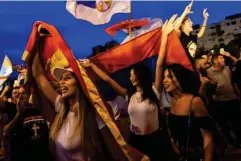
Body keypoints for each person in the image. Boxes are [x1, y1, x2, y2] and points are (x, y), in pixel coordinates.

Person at [80, 15, 179, 161]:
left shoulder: (154, 91)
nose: (131, 77)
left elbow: (159, 64)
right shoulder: (129, 94)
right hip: (136, 142)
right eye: (131, 75)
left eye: (134, 75)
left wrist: (164, 35)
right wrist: (91, 66)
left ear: (142, 76)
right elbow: (107, 79)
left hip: (156, 140)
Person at [31, 54, 126, 161]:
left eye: (67, 78)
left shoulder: (95, 113)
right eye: (61, 79)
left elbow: (115, 151)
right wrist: (37, 40)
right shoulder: (61, 107)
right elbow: (39, 76)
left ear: (80, 83)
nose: (61, 82)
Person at [164, 64, 213, 161]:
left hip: (197, 155)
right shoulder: (173, 100)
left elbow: (207, 137)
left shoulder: (194, 101)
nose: (164, 80)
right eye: (164, 77)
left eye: (170, 77)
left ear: (180, 78)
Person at [2, 86, 52, 161]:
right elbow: (6, 132)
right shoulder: (15, 109)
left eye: (23, 93)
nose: (20, 96)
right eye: (18, 94)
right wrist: (18, 114)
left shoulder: (41, 109)